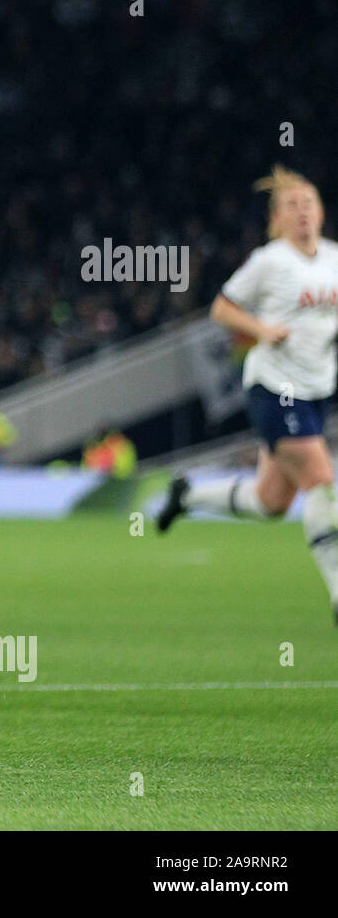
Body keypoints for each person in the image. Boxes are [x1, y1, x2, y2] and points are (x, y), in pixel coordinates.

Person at [158, 166, 338, 622]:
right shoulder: (270, 261)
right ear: (277, 219)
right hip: (275, 387)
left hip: (317, 389)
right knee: (321, 477)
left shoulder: (335, 259)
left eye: (308, 203)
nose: (302, 212)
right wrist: (262, 329)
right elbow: (222, 307)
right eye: (291, 206)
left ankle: (188, 498)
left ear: (321, 212)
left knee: (272, 502)